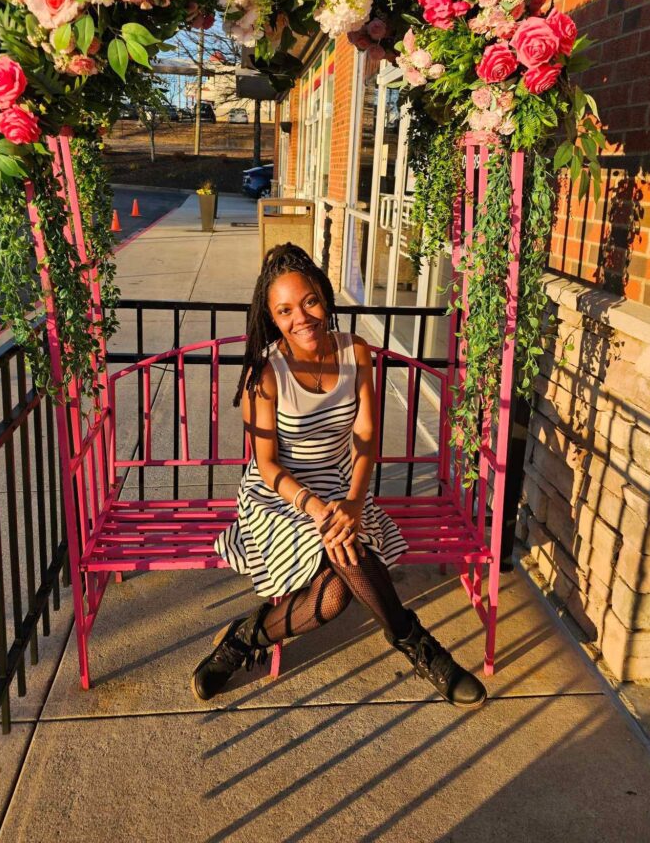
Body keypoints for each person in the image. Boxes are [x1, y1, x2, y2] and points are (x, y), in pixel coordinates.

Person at [191, 243, 486, 710]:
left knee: (334, 584)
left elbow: (367, 437)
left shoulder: (356, 352)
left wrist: (351, 502)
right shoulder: (265, 375)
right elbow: (267, 466)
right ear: (271, 318)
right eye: (285, 310)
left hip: (343, 483)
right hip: (281, 496)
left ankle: (245, 638)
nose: (301, 317)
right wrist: (317, 508)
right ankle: (416, 643)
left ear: (324, 297)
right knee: (339, 566)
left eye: (308, 301)